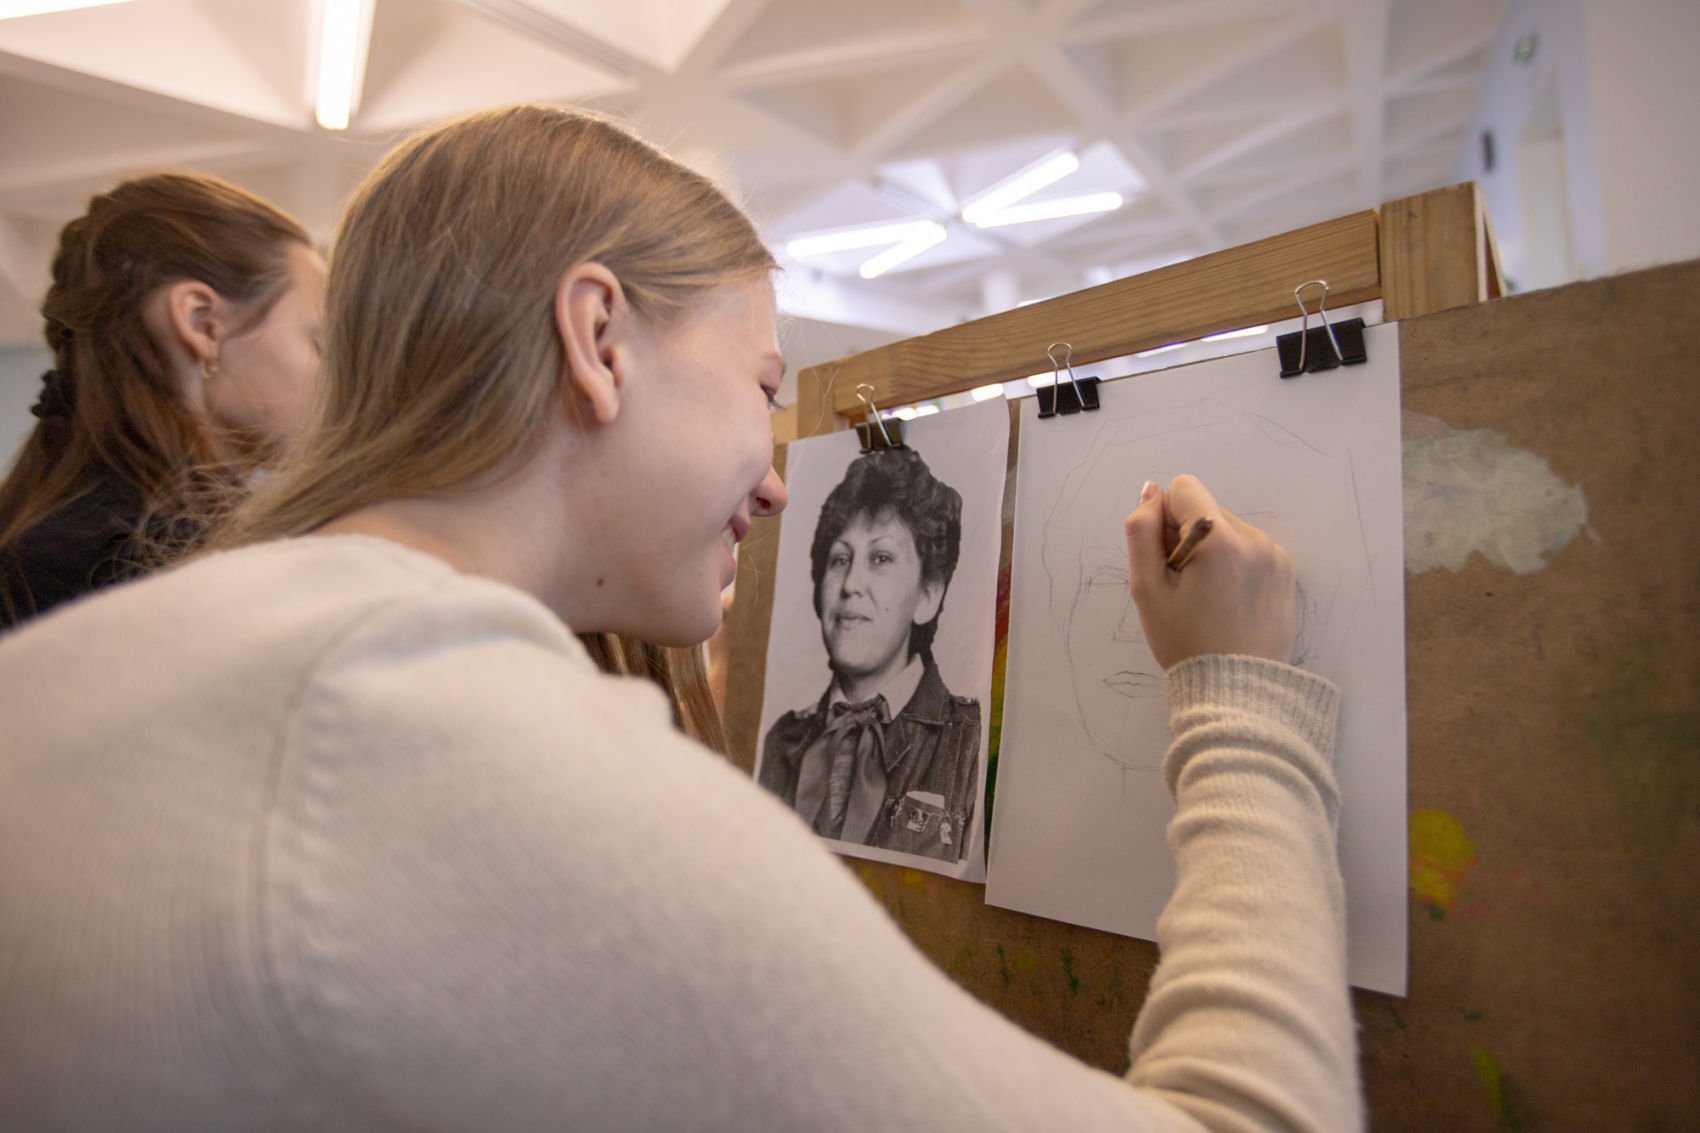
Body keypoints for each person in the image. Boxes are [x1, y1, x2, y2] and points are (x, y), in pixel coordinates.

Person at [0, 105, 1360, 1131]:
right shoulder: (468, 750)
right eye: (762, 385)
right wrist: (1238, 694)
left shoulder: (160, 648)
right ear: (598, 339)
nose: (779, 477)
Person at [0, 172, 324, 631]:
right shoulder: (138, 563)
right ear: (202, 322)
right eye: (319, 343)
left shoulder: (56, 534)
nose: (339, 378)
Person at [758, 446, 981, 862]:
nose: (850, 585)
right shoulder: (781, 740)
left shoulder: (967, 740)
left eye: (881, 558)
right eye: (840, 559)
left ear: (928, 595)